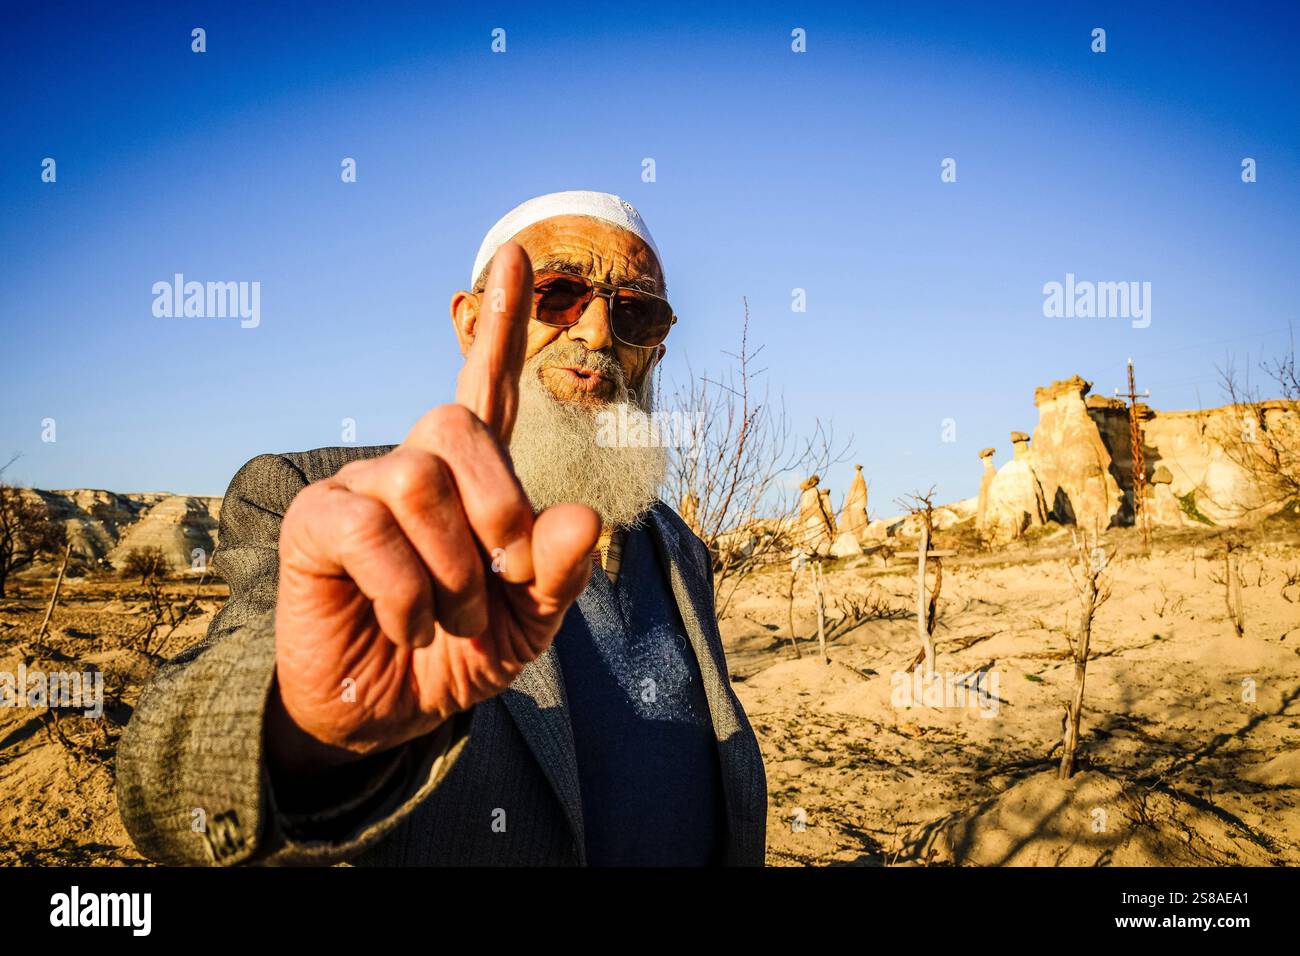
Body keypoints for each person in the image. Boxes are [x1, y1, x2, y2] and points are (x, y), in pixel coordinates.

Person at [116, 191, 767, 866]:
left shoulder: (679, 548)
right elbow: (166, 791)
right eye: (559, 294)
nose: (598, 333)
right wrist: (305, 731)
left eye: (635, 311)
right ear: (472, 324)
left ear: (654, 355)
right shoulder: (323, 502)